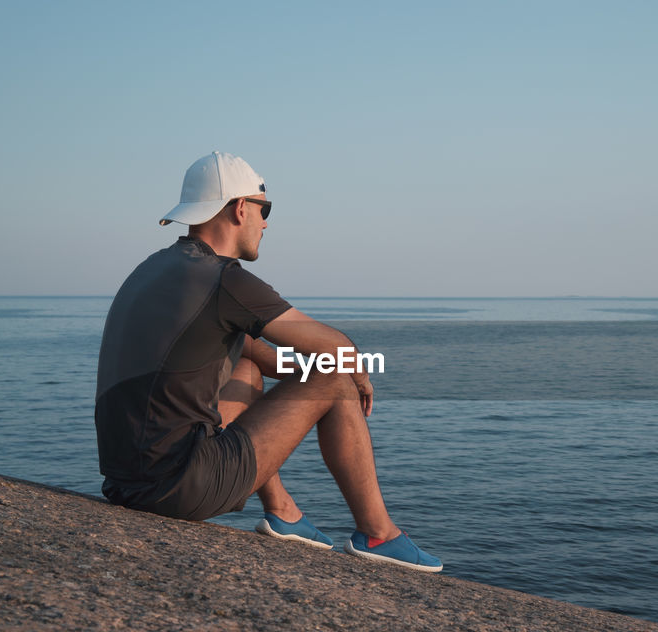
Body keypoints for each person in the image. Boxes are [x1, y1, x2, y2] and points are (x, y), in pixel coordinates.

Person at [94, 151, 441, 572]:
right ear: (241, 208)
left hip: (127, 481)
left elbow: (256, 352)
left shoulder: (158, 269)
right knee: (335, 378)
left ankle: (285, 513)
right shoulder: (225, 279)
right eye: (265, 209)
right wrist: (350, 379)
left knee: (250, 368)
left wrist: (304, 386)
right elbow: (332, 346)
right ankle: (378, 534)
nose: (266, 222)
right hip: (177, 486)